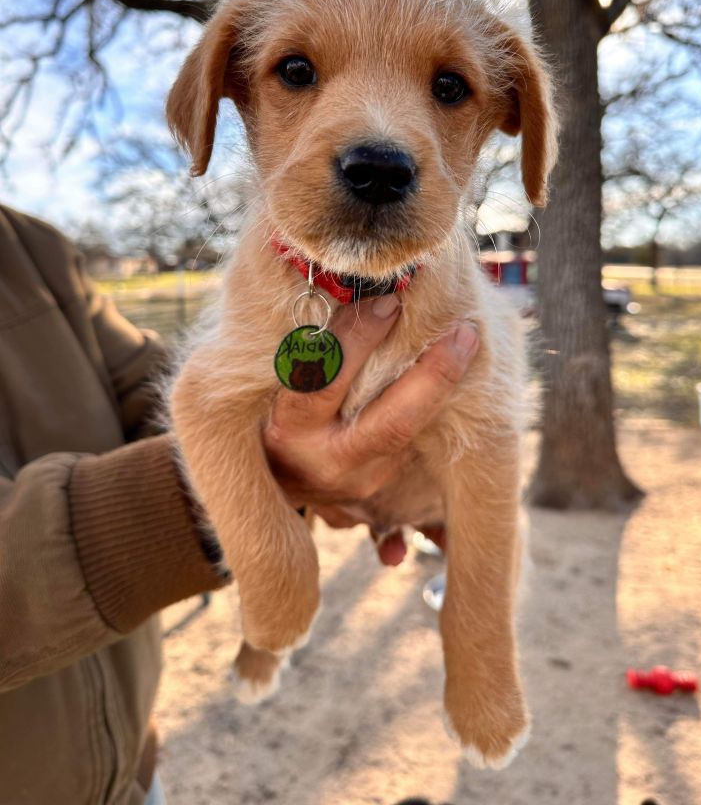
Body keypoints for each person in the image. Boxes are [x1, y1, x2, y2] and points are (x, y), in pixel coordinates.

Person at [0, 204, 478, 804]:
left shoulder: (26, 245)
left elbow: (151, 388)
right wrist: (268, 474)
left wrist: (352, 444)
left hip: (134, 778)